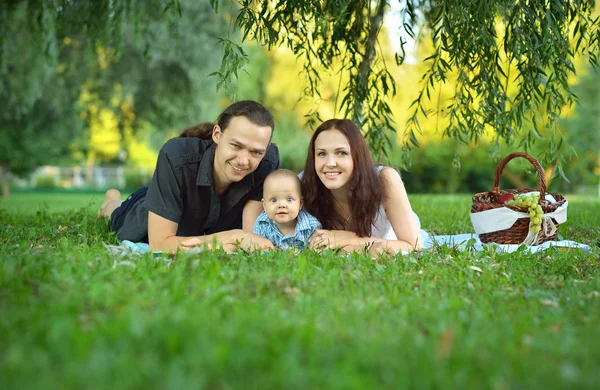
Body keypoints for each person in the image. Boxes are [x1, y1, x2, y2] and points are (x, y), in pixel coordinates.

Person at [98, 100, 279, 253]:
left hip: (198, 219)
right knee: (116, 215)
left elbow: (251, 239)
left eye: (256, 152)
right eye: (236, 146)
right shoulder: (176, 156)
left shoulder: (267, 163)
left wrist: (244, 240)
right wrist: (232, 237)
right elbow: (160, 245)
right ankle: (111, 199)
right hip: (151, 208)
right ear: (217, 134)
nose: (243, 160)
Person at [301, 118, 426, 255]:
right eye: (322, 154)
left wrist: (350, 238)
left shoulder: (385, 179)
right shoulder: (303, 184)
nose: (330, 163)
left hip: (396, 235)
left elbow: (413, 245)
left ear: (357, 156)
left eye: (341, 153)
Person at [253, 169, 321, 250]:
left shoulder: (311, 226)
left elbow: (318, 250)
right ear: (264, 205)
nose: (281, 205)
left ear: (300, 204)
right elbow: (258, 249)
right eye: (274, 200)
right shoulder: (262, 224)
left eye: (289, 199)